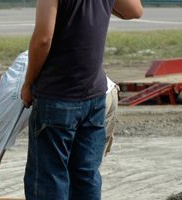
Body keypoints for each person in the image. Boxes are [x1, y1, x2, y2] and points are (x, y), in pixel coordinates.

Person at [20, 0, 142, 199]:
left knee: (49, 179)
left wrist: (28, 83)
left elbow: (43, 39)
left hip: (57, 94)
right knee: (85, 176)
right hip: (94, 96)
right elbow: (134, 10)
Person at [0, 52, 119, 199]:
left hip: (81, 103)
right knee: (84, 173)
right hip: (106, 92)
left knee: (54, 176)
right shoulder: (22, 60)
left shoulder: (6, 104)